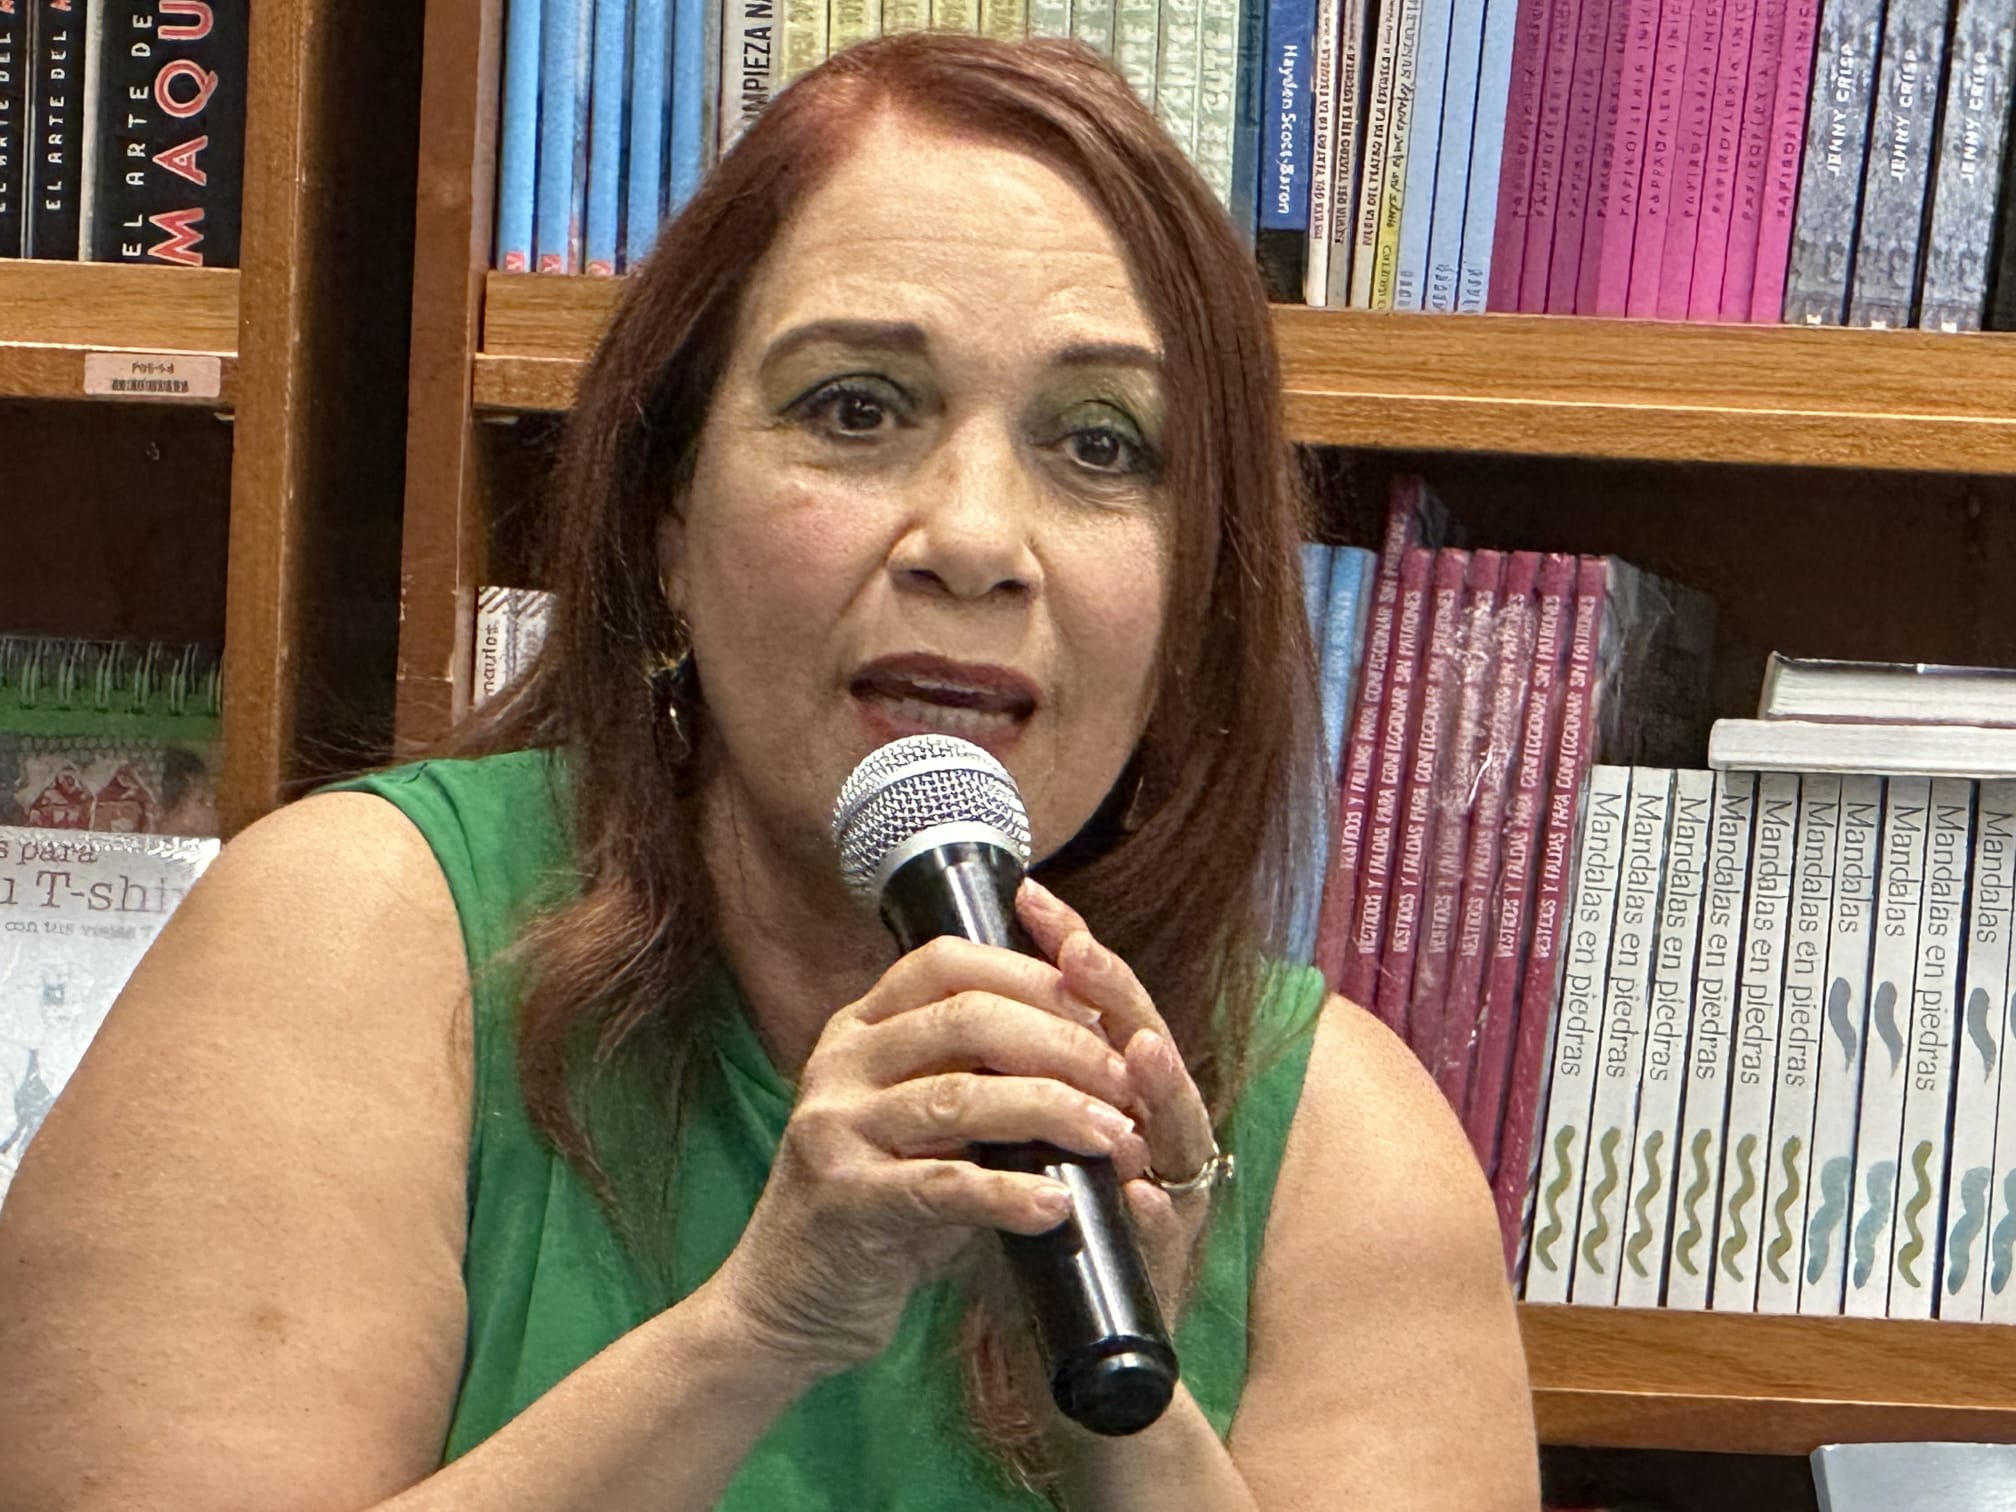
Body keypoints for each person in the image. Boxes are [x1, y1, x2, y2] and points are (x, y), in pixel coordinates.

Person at [0, 33, 1537, 1511]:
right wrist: (759, 1330)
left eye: (1101, 444)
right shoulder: (354, 937)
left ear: (1198, 591)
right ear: (667, 521)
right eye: (857, 409)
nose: (975, 540)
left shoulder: (1339, 1138)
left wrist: (1123, 1420)